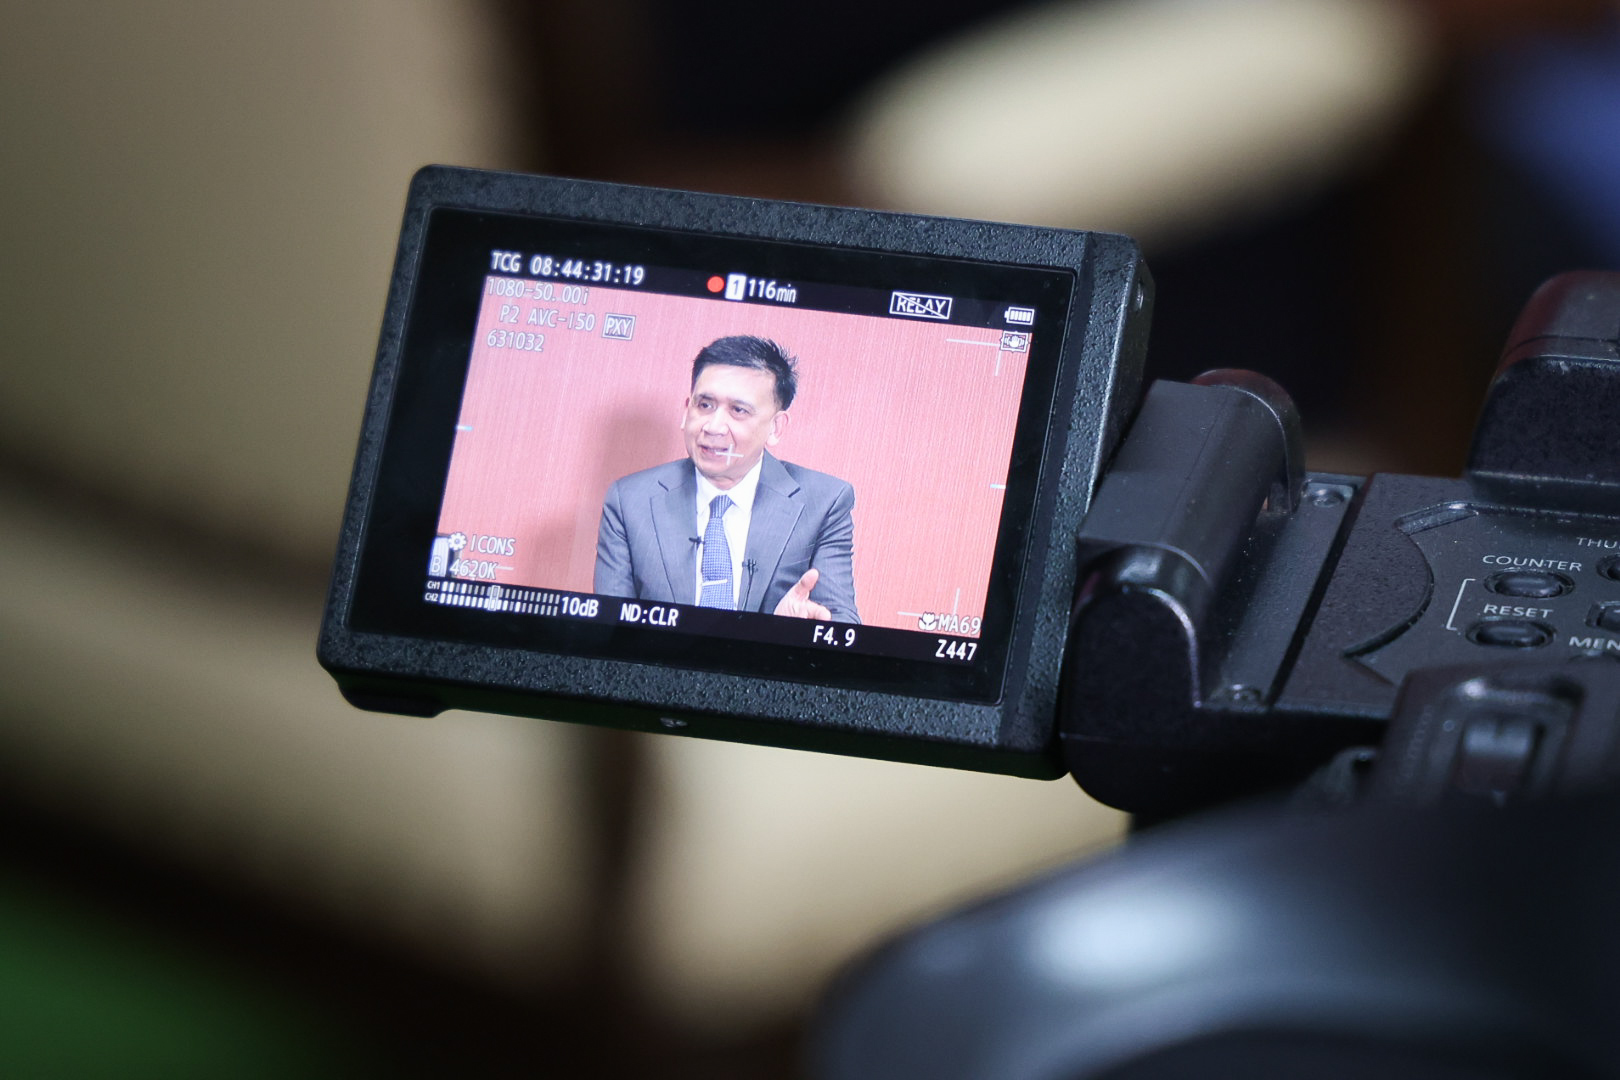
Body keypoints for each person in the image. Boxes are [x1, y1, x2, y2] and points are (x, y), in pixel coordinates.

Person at [594, 335, 859, 622]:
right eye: (705, 405)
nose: (714, 427)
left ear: (775, 427)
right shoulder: (630, 500)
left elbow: (842, 623)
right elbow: (609, 629)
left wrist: (787, 631)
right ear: (686, 410)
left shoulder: (823, 503)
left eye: (738, 410)